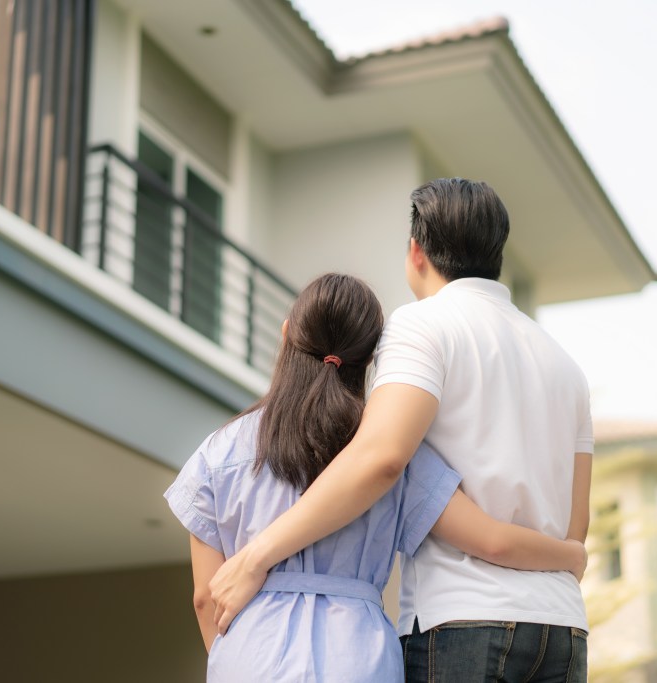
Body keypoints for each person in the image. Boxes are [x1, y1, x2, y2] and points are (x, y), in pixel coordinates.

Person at [208, 179, 594, 682]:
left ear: (416, 251)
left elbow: (381, 458)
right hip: (563, 627)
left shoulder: (421, 325)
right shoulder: (566, 366)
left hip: (464, 620)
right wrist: (572, 557)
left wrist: (256, 556)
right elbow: (576, 527)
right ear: (496, 254)